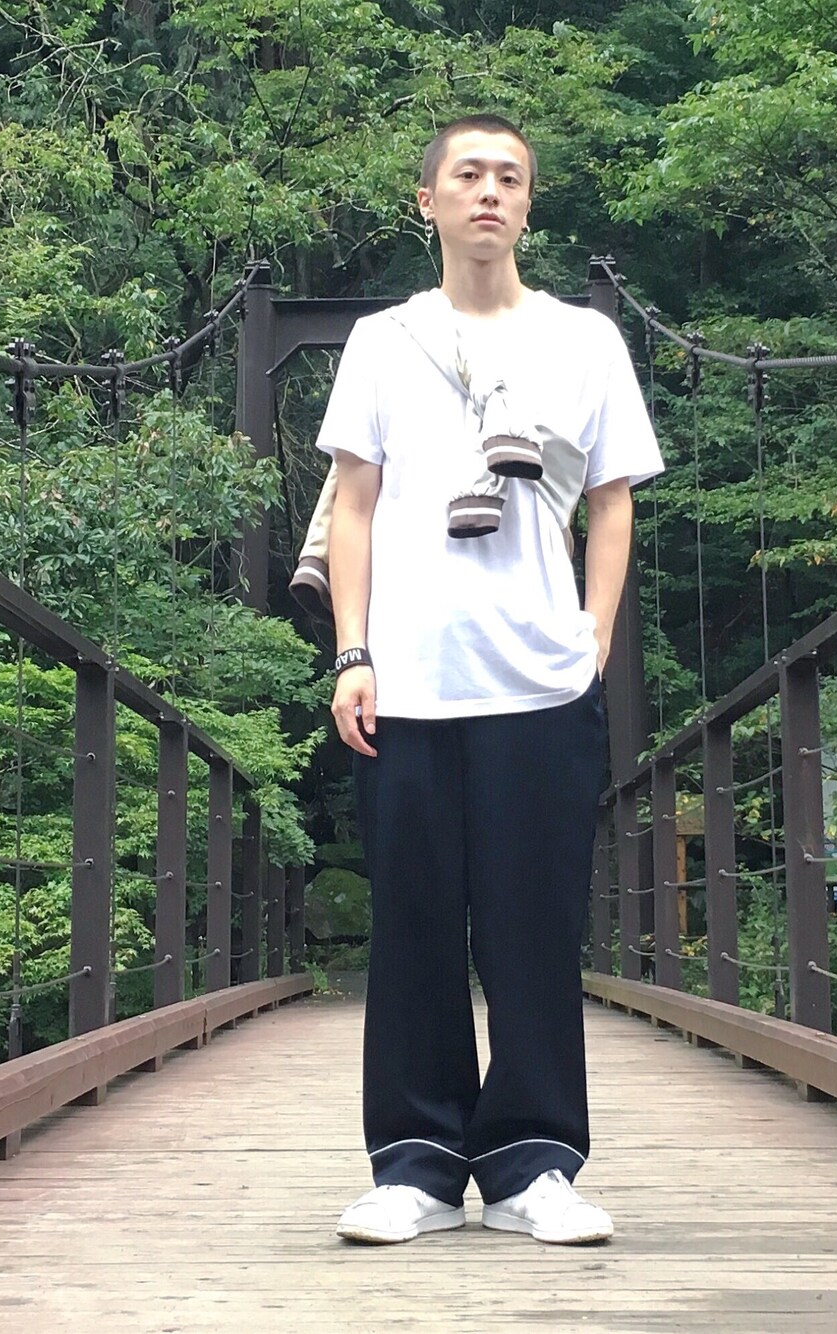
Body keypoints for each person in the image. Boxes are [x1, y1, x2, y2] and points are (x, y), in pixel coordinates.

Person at [317, 114, 663, 1246]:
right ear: (427, 200)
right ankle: (414, 1166)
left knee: (534, 928)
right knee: (413, 927)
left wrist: (593, 634)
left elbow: (612, 498)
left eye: (509, 177)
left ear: (528, 203)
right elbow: (354, 503)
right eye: (467, 174)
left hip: (538, 681)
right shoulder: (382, 340)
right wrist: (352, 650)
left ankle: (531, 1165)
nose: (489, 192)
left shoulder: (583, 340)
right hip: (408, 679)